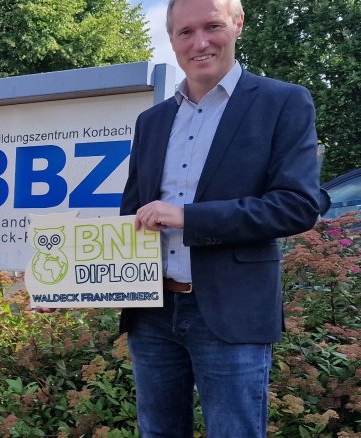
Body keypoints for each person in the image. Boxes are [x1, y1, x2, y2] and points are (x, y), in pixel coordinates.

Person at [119, 0, 322, 436]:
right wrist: (79, 285)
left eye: (212, 26)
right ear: (171, 39)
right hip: (152, 313)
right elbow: (130, 216)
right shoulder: (151, 121)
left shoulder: (282, 102)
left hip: (232, 310)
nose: (200, 42)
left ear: (238, 23)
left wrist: (188, 217)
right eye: (185, 32)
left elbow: (298, 204)